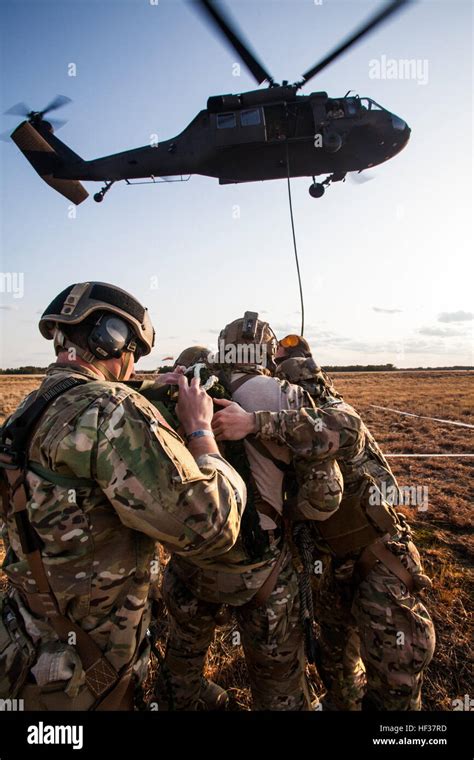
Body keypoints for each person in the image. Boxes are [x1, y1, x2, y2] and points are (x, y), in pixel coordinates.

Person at [0, 281, 246, 710]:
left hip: (28, 650)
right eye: (133, 352)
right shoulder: (113, 410)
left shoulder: (31, 405)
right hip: (87, 676)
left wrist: (146, 394)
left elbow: (86, 429)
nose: (134, 365)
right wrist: (201, 431)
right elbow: (212, 525)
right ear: (112, 338)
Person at [212, 355, 436, 711]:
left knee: (397, 678)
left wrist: (254, 422)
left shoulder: (331, 411)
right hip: (328, 568)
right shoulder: (293, 426)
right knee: (338, 670)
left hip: (378, 561)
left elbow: (346, 430)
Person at [155, 314, 343, 711]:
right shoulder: (284, 396)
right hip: (262, 571)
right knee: (280, 690)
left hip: (191, 561)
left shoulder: (181, 390)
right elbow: (326, 498)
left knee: (181, 668)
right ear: (266, 352)